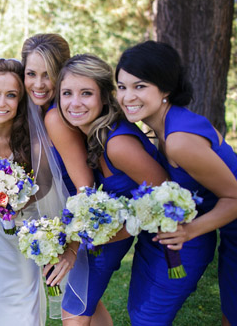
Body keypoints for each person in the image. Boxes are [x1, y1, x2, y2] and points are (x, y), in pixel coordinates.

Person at [116, 40, 237, 326]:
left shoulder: (179, 141)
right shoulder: (163, 128)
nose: (127, 97)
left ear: (166, 89)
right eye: (122, 87)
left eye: (140, 86)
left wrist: (189, 231)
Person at [57, 54, 168, 325]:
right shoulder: (94, 134)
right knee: (84, 308)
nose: (74, 103)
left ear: (105, 97)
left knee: (74, 314)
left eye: (86, 93)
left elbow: (167, 196)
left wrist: (112, 233)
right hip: (107, 236)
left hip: (127, 239)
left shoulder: (117, 144)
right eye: (67, 93)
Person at [21, 33, 94, 320]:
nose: (38, 84)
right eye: (31, 74)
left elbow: (84, 189)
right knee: (87, 305)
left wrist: (72, 250)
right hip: (69, 222)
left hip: (87, 222)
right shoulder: (36, 113)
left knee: (74, 311)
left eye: (48, 75)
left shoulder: (55, 117)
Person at [0, 58, 46, 325]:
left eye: (11, 95)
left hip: (22, 241)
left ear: (20, 101)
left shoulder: (32, 139)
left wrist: (16, 198)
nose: (1, 103)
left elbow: (46, 186)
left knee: (23, 312)